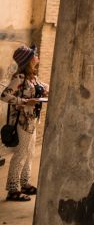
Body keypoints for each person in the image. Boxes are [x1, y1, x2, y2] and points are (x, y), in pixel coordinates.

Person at [2, 45, 48, 202]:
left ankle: (25, 183)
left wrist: (45, 91)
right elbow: (4, 95)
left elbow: (43, 88)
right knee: (21, 154)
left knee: (30, 154)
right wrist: (24, 102)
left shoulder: (33, 78)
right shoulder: (19, 78)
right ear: (28, 60)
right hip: (21, 122)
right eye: (34, 55)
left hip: (32, 120)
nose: (38, 57)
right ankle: (13, 189)